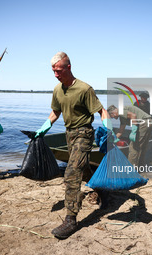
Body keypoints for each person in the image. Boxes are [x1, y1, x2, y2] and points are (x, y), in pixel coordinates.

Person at [35, 52, 111, 239]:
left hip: (84, 134)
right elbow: (55, 113)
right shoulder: (57, 90)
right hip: (69, 135)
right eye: (53, 70)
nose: (55, 74)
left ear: (68, 67)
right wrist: (43, 128)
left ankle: (71, 219)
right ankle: (102, 191)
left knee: (71, 173)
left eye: (58, 70)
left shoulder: (85, 89)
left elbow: (102, 111)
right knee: (82, 170)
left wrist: (109, 130)